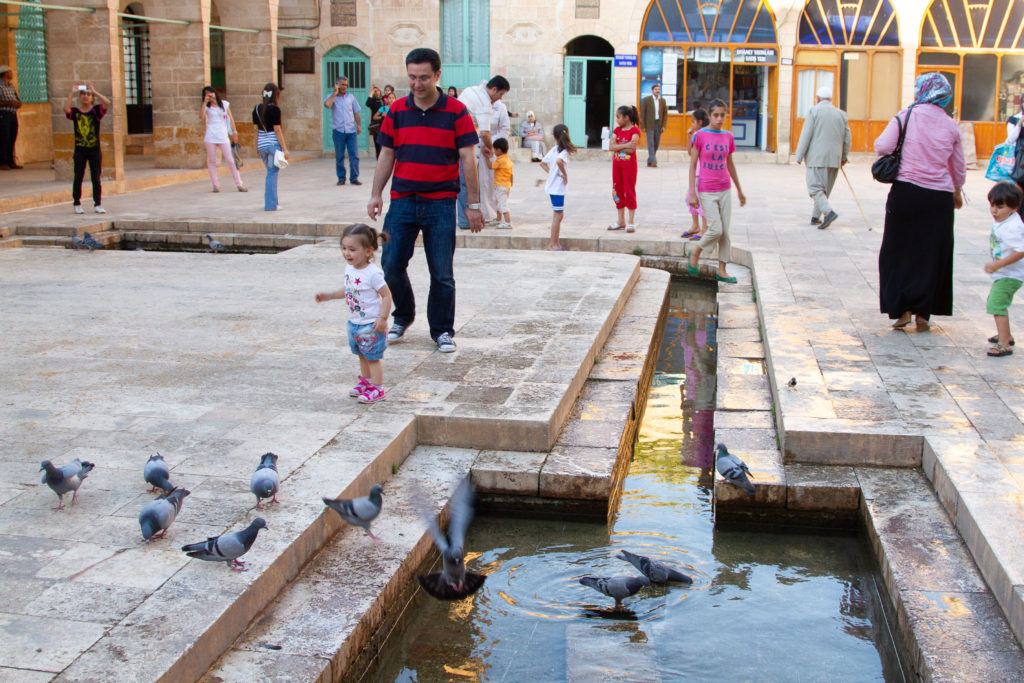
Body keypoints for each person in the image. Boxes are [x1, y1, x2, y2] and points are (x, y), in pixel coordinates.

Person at [367, 47, 482, 354]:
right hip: (402, 201)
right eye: (412, 77)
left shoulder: (456, 111)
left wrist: (473, 205)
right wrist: (376, 193)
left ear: (438, 75)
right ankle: (403, 315)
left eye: (424, 78)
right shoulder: (397, 110)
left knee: (441, 272)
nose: (417, 84)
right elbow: (387, 154)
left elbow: (468, 159)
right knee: (390, 264)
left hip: (441, 203)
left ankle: (442, 330)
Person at [875, 73, 965, 332]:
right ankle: (923, 314)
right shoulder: (951, 126)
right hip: (938, 198)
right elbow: (958, 168)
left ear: (920, 91)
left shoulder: (906, 116)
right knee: (931, 254)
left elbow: (882, 146)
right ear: (945, 96)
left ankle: (902, 309)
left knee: (898, 251)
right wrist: (956, 191)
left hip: (906, 193)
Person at [315, 224, 394, 403]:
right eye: (343, 248)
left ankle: (378, 388)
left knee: (372, 357)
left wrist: (382, 319)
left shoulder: (373, 274)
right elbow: (349, 289)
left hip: (370, 324)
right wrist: (329, 296)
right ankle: (366, 382)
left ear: (368, 251)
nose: (346, 253)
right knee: (362, 354)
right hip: (354, 322)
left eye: (352, 249)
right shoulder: (350, 269)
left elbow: (387, 295)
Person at [687, 99, 745, 284]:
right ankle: (696, 250)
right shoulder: (700, 136)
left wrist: (739, 190)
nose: (719, 119)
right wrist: (692, 192)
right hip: (706, 189)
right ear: (710, 116)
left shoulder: (728, 136)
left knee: (725, 232)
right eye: (716, 115)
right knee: (716, 229)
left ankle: (722, 270)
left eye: (722, 115)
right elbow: (692, 165)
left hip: (725, 188)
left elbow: (730, 164)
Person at [457, 75, 511, 228]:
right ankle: (466, 220)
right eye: (500, 94)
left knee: (479, 183)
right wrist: (491, 150)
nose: (500, 98)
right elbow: (485, 133)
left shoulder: (471, 90)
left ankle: (483, 214)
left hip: (468, 141)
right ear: (494, 89)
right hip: (466, 143)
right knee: (466, 181)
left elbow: (503, 129)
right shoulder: (484, 102)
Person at [794, 86, 851, 230]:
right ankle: (815, 217)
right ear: (830, 99)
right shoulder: (841, 114)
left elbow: (806, 134)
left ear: (818, 99)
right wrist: (844, 157)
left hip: (817, 158)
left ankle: (828, 213)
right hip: (834, 159)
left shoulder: (814, 111)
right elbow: (847, 138)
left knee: (815, 188)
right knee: (823, 191)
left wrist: (799, 156)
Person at [984, 182, 1024, 357]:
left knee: (996, 304)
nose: (994, 211)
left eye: (1000, 207)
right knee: (996, 303)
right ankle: (1005, 334)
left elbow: (1021, 250)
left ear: (1014, 208)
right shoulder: (1003, 220)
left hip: (1010, 275)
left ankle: (1004, 344)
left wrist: (998, 264)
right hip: (1004, 273)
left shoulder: (1013, 227)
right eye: (992, 205)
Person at [64, 82, 111, 214]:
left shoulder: (96, 111)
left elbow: (107, 103)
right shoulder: (75, 112)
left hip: (94, 149)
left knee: (96, 177)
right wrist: (72, 93)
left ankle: (98, 204)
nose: (85, 96)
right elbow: (66, 109)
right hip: (80, 150)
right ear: (80, 97)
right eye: (83, 94)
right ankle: (77, 203)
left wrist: (94, 91)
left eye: (88, 94)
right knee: (78, 176)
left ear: (92, 98)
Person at [200, 86, 246, 193]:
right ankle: (215, 185)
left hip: (223, 135)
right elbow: (201, 116)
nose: (209, 95)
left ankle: (239, 184)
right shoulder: (206, 106)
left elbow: (231, 119)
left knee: (230, 160)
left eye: (211, 92)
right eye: (207, 93)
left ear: (214, 93)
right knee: (212, 161)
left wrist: (234, 132)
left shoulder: (224, 104)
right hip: (211, 136)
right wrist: (205, 102)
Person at [252, 82, 290, 212]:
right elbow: (277, 130)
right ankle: (270, 205)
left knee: (270, 173)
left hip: (262, 146)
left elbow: (256, 130)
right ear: (276, 95)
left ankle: (274, 202)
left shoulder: (256, 109)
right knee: (272, 174)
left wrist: (256, 146)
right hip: (273, 145)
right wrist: (285, 148)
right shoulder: (275, 110)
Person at [541, 123, 575, 251]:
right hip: (557, 188)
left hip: (553, 187)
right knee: (558, 215)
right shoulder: (563, 151)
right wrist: (564, 175)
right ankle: (553, 244)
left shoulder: (555, 149)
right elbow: (559, 161)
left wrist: (552, 173)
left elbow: (542, 163)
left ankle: (555, 243)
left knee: (558, 214)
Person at [608, 105, 641, 234]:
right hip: (617, 166)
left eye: (618, 117)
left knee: (629, 191)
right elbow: (611, 147)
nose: (617, 120)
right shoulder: (617, 130)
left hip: (629, 167)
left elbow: (632, 150)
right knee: (617, 191)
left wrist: (618, 146)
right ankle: (621, 221)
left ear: (626, 118)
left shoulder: (635, 131)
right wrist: (626, 145)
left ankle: (631, 221)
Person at [324, 76, 362, 186]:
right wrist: (335, 93)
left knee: (354, 155)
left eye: (346, 84)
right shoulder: (331, 97)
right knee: (339, 156)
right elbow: (327, 105)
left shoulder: (351, 97)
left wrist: (358, 125)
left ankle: (354, 178)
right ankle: (341, 178)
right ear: (337, 84)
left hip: (351, 131)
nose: (345, 86)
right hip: (338, 132)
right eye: (342, 84)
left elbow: (356, 112)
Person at [681, 108, 709, 240]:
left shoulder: (704, 135)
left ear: (700, 122)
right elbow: (690, 153)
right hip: (696, 173)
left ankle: (705, 228)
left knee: (701, 201)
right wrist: (689, 137)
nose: (691, 124)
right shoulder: (696, 135)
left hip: (702, 173)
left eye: (693, 121)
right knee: (690, 198)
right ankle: (695, 225)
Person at [487, 137, 513, 229]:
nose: (494, 152)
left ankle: (508, 222)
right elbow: (511, 174)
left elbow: (490, 166)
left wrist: (487, 158)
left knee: (502, 204)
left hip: (500, 186)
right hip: (506, 185)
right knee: (498, 203)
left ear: (499, 150)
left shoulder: (500, 160)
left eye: (494, 150)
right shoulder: (508, 159)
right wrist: (511, 184)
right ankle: (498, 219)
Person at [640, 83, 668, 167]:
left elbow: (665, 114)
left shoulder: (662, 100)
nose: (657, 91)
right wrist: (643, 126)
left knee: (656, 143)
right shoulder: (646, 100)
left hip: (658, 124)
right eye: (656, 89)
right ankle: (653, 162)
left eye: (658, 89)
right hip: (649, 125)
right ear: (652, 90)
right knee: (651, 143)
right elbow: (642, 114)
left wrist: (663, 126)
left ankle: (650, 159)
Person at [0, 65, 22, 169]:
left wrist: (18, 103)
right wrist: (9, 103)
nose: (12, 73)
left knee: (12, 137)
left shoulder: (11, 86)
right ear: (4, 74)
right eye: (10, 72)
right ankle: (2, 162)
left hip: (12, 114)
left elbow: (17, 98)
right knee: (4, 137)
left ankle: (10, 161)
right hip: (3, 114)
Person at [1006, 103, 1024, 217]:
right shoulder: (1014, 119)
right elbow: (1010, 140)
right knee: (1019, 191)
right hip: (1020, 161)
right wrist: (1020, 123)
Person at [366, 85, 384, 159]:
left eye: (378, 90)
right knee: (377, 143)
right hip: (376, 124)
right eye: (375, 91)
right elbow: (367, 104)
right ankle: (379, 159)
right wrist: (371, 92)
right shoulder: (373, 101)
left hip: (384, 123)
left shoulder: (383, 99)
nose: (377, 92)